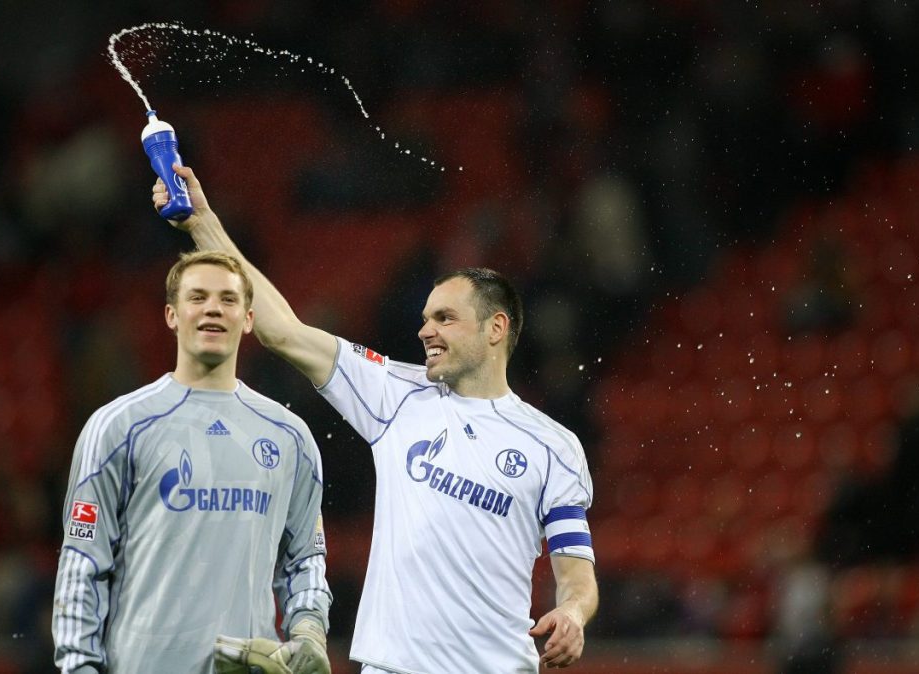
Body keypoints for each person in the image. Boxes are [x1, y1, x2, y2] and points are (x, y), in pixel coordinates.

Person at [153, 166, 600, 673]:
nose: (424, 330)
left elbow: (575, 572)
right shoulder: (396, 394)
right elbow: (284, 332)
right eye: (426, 317)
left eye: (444, 319)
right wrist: (203, 223)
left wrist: (572, 612)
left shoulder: (553, 446)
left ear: (496, 328)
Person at [51, 250, 332, 674]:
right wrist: (78, 667)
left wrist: (309, 627)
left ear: (249, 318)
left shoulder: (290, 437)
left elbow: (305, 559)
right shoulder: (117, 427)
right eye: (197, 297)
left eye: (228, 299)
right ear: (171, 315)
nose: (213, 308)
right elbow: (82, 562)